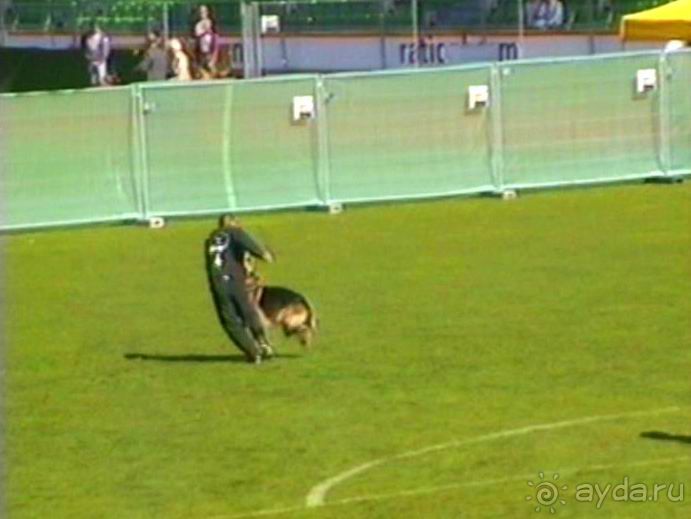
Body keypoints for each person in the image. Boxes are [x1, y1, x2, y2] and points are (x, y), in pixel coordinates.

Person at [205, 214, 275, 364]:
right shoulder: (235, 232)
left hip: (218, 283)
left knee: (230, 320)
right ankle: (262, 343)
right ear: (233, 223)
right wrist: (265, 255)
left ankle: (252, 352)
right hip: (235, 280)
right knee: (247, 311)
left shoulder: (211, 239)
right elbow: (257, 250)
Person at [192, 4, 220, 77]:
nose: (203, 13)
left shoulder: (212, 24)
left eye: (205, 11)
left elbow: (215, 38)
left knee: (211, 66)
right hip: (201, 51)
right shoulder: (198, 25)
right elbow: (197, 34)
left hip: (211, 50)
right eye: (201, 12)